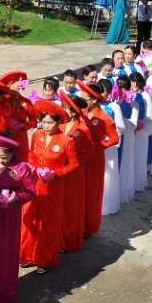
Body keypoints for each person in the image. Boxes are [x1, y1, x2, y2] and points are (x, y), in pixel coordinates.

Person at [20, 101, 79, 272]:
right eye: (44, 122)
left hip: (53, 186)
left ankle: (43, 259)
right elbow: (31, 155)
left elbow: (74, 164)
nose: (46, 126)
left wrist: (56, 173)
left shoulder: (66, 140)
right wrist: (31, 167)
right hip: (33, 182)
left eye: (50, 123)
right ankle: (27, 255)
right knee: (29, 217)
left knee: (48, 222)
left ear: (58, 122)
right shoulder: (36, 135)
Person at [0, 132, 35, 303]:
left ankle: (3, 294)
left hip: (8, 215)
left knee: (4, 253)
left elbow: (31, 192)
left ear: (12, 153)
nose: (0, 161)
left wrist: (16, 198)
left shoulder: (22, 167)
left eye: (4, 158)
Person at [77, 80, 119, 237]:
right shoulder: (81, 113)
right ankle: (78, 223)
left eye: (85, 99)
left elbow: (114, 138)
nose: (83, 102)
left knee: (92, 191)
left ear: (94, 100)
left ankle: (89, 226)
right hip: (80, 156)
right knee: (79, 190)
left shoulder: (104, 118)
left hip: (95, 158)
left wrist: (99, 145)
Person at [58, 92, 93, 251]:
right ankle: (57, 238)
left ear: (73, 112)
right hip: (60, 170)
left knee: (71, 206)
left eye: (65, 107)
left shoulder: (83, 129)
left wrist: (76, 157)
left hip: (74, 173)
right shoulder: (60, 126)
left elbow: (90, 153)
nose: (62, 110)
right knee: (60, 204)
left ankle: (69, 240)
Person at [96, 79, 124, 214]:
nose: (100, 94)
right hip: (95, 144)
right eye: (99, 91)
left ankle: (106, 204)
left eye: (103, 91)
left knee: (108, 173)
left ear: (109, 92)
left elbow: (120, 126)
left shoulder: (114, 107)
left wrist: (108, 138)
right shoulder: (93, 106)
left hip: (108, 145)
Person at [114, 76, 139, 204]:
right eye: (118, 88)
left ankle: (123, 191)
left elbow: (134, 123)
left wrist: (121, 120)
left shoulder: (133, 103)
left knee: (125, 163)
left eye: (122, 88)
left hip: (127, 135)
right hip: (116, 135)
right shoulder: (115, 101)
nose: (120, 91)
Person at [128, 72, 152, 192]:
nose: (130, 84)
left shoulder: (145, 95)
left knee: (139, 156)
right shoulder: (129, 95)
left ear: (136, 83)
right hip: (130, 130)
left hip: (141, 131)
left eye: (132, 81)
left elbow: (149, 115)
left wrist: (140, 124)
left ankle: (138, 183)